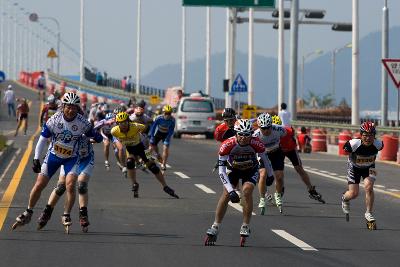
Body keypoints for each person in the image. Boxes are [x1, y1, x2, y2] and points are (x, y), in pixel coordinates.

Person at [11, 92, 99, 230]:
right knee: (39, 184)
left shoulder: (83, 123)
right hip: (53, 156)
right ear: (63, 106)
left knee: (70, 185)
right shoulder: (54, 120)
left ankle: (66, 214)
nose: (71, 110)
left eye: (74, 108)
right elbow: (42, 140)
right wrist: (36, 159)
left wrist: (97, 136)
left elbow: (93, 135)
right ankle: (28, 211)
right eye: (68, 107)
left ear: (78, 109)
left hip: (72, 158)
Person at [204, 119, 268, 246]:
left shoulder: (257, 143)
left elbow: (265, 160)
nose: (244, 138)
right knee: (226, 194)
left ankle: (245, 225)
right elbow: (221, 171)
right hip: (232, 169)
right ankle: (215, 225)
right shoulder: (227, 144)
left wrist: (269, 175)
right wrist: (231, 190)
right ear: (236, 133)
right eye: (241, 134)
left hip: (250, 169)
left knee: (247, 191)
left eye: (247, 134)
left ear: (251, 134)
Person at [37, 133, 101, 233]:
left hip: (85, 159)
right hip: (69, 159)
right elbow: (54, 142)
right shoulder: (65, 129)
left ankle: (83, 214)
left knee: (82, 185)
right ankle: (47, 211)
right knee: (61, 186)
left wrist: (94, 138)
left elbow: (98, 137)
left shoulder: (86, 126)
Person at [111, 112, 178, 199]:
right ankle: (134, 183)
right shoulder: (114, 131)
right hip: (130, 149)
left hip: (142, 148)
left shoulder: (135, 126)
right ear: (117, 124)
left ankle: (165, 186)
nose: (123, 125)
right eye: (120, 123)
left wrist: (147, 141)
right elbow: (115, 141)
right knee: (130, 163)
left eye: (125, 122)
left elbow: (146, 129)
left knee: (153, 167)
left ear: (128, 122)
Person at [271, 115, 324, 204]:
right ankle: (279, 191)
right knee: (279, 173)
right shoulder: (269, 133)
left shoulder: (288, 130)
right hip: (280, 150)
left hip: (290, 149)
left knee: (299, 169)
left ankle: (311, 189)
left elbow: (293, 135)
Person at [341, 122, 383, 230]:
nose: (368, 138)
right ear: (361, 135)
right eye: (365, 135)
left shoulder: (379, 144)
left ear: (374, 135)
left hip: (370, 167)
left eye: (370, 135)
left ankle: (369, 213)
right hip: (354, 168)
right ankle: (345, 198)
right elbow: (345, 149)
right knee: (354, 194)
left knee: (369, 187)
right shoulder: (353, 144)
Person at [253, 113, 286, 213]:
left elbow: (287, 137)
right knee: (262, 175)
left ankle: (278, 194)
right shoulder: (256, 135)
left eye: (268, 127)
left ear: (271, 125)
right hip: (263, 154)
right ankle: (262, 198)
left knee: (279, 177)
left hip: (276, 152)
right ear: (259, 127)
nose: (266, 130)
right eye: (263, 128)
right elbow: (253, 149)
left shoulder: (280, 129)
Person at [149, 105, 175, 171]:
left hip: (166, 134)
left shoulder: (172, 119)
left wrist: (168, 138)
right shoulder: (159, 118)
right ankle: (146, 159)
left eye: (169, 113)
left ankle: (163, 164)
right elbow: (153, 127)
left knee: (166, 148)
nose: (167, 115)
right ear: (163, 113)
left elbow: (171, 130)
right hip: (157, 133)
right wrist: (152, 136)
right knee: (150, 147)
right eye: (166, 113)